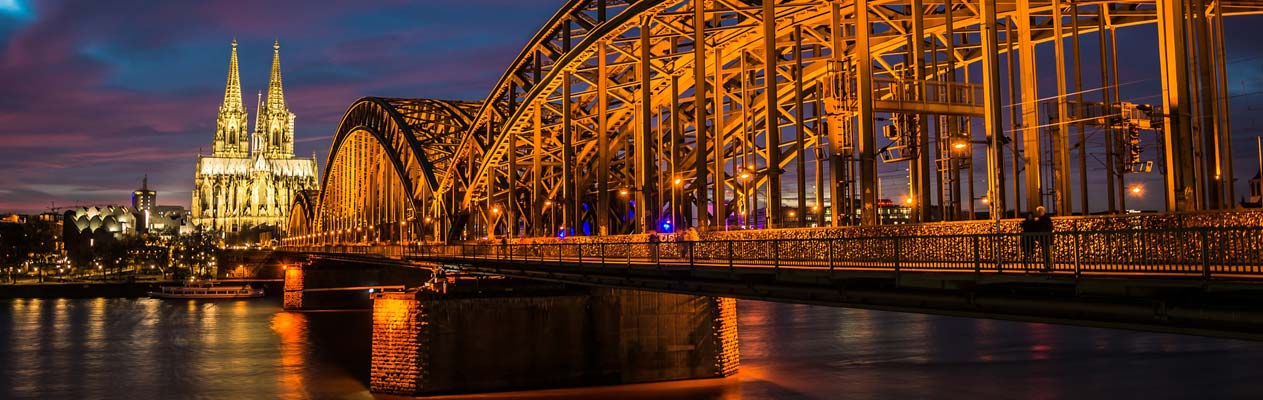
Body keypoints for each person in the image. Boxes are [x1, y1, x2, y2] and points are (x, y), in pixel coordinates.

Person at [1033, 206, 1054, 272]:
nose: (1039, 213)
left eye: (1039, 211)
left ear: (1043, 211)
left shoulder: (1044, 219)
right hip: (1045, 238)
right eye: (1038, 212)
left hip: (1046, 238)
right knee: (1046, 252)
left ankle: (1048, 266)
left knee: (1047, 252)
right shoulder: (1044, 219)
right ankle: (1047, 266)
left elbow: (1049, 228)